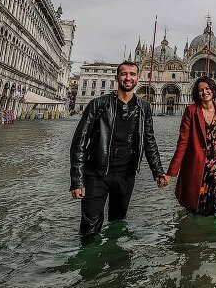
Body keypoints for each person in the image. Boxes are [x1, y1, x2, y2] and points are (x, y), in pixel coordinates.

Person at [70, 61, 167, 237]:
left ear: (138, 78)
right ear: (117, 78)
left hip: (126, 175)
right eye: (124, 74)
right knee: (90, 229)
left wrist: (158, 172)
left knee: (118, 222)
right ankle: (89, 261)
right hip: (96, 174)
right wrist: (77, 180)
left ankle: (114, 259)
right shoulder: (98, 104)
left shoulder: (143, 107)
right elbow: (79, 142)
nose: (128, 78)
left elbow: (149, 141)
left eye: (132, 74)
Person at [166, 76, 216, 217]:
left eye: (207, 88)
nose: (204, 92)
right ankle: (201, 234)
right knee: (200, 201)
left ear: (213, 90)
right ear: (196, 93)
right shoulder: (191, 111)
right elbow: (182, 143)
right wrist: (171, 173)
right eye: (200, 90)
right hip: (199, 161)